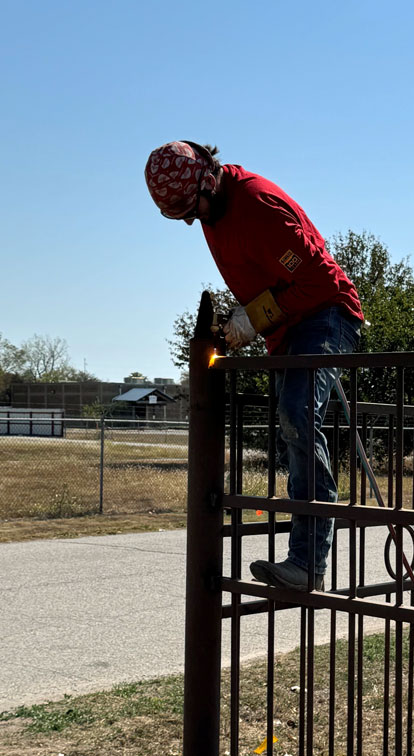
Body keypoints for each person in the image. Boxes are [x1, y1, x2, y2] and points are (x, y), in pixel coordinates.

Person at [145, 140, 364, 591]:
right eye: (176, 215)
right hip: (289, 327)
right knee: (290, 430)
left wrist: (256, 317)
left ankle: (307, 563)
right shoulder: (213, 211)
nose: (188, 221)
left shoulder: (258, 206)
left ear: (208, 180)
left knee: (298, 416)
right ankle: (304, 556)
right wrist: (247, 319)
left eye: (189, 209)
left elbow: (320, 281)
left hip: (326, 315)